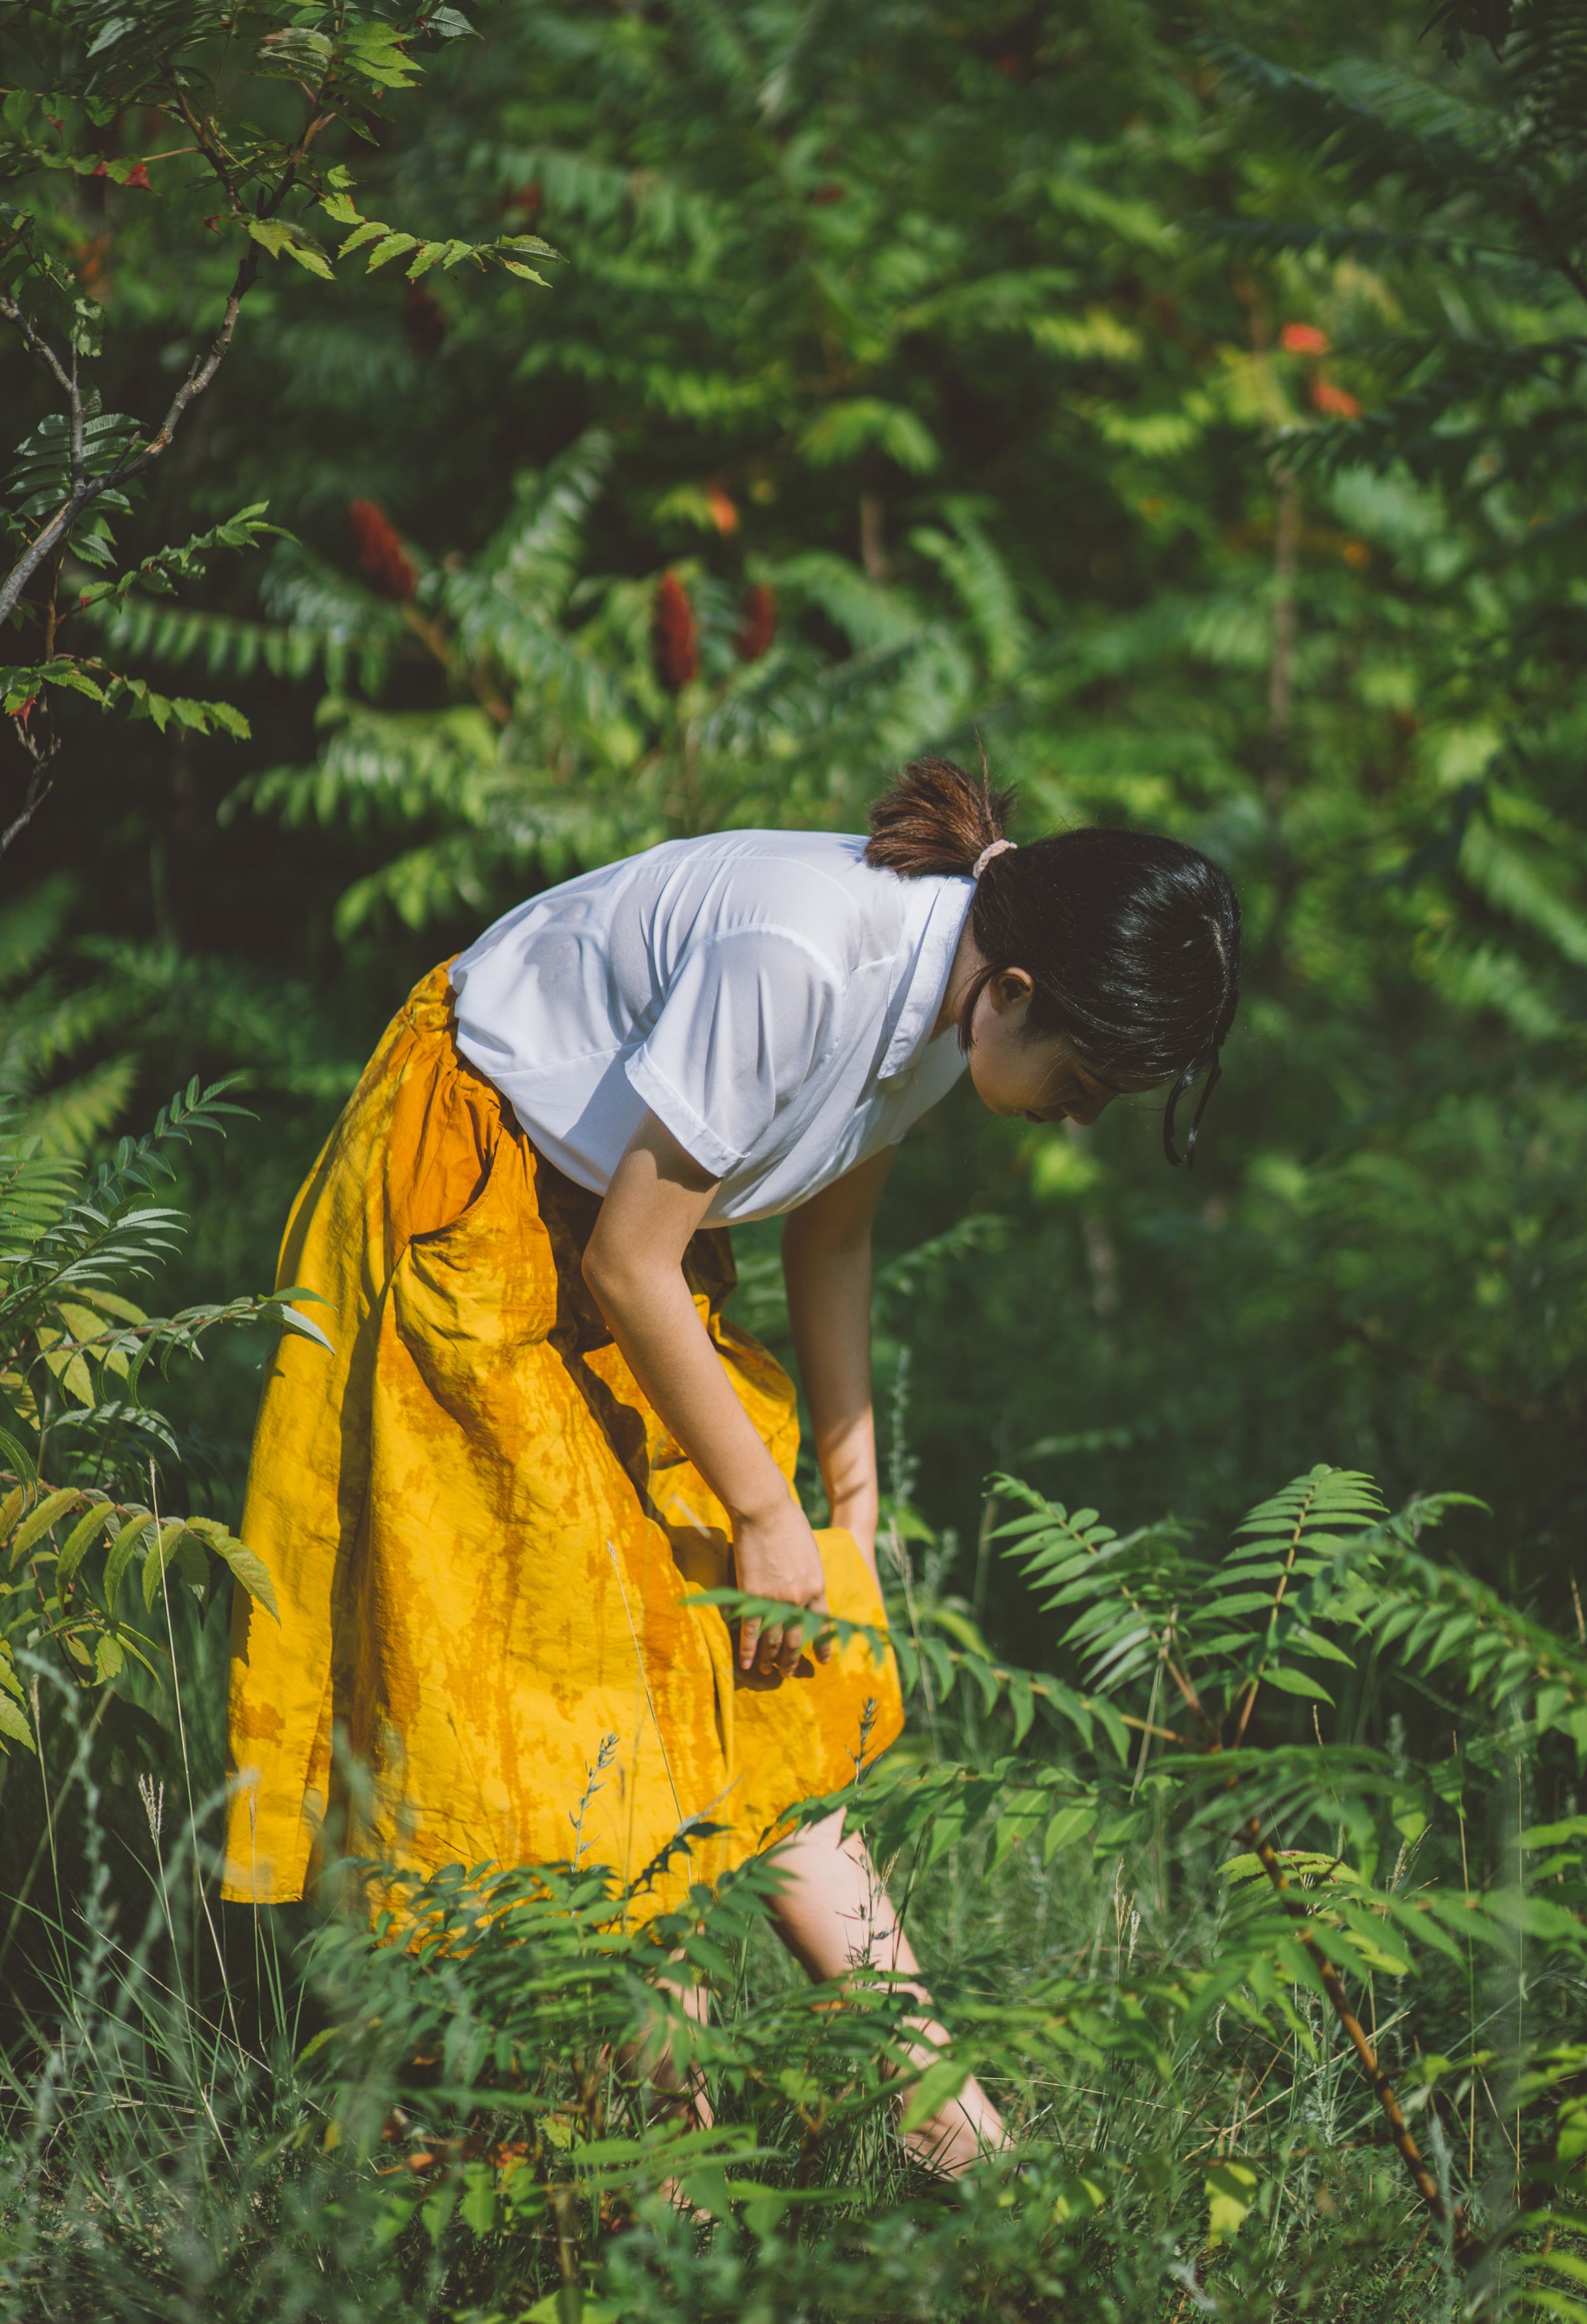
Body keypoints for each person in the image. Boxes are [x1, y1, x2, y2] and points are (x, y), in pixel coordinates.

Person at [221, 755, 1240, 2172]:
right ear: (1014, 992)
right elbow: (629, 1262)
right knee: (573, 1693)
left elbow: (831, 1232)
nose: (1079, 1118)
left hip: (617, 1225)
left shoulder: (958, 989)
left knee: (772, 1678)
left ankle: (948, 2128)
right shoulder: (804, 961)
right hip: (474, 1186)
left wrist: (847, 1512)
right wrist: (763, 1510)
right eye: (1085, 1083)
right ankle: (639, 2170)